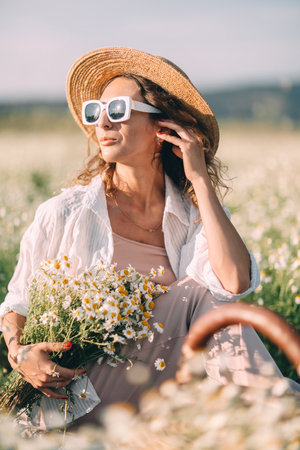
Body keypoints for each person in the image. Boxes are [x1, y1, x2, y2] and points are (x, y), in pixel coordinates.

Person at [0, 47, 297, 428]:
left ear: (163, 129)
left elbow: (234, 282)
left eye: (119, 110)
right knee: (204, 297)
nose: (102, 122)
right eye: (96, 111)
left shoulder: (190, 217)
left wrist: (201, 181)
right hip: (77, 394)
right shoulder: (66, 212)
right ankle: (285, 414)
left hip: (162, 390)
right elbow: (17, 304)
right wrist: (19, 353)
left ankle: (281, 417)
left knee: (211, 298)